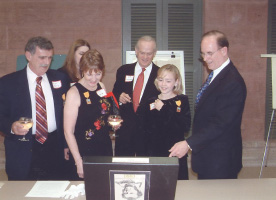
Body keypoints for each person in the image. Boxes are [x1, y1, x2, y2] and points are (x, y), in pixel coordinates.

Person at [169, 30, 247, 180]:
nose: (205, 59)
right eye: (203, 54)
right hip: (209, 155)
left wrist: (188, 144)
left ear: (224, 50)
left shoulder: (232, 82)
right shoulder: (216, 74)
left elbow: (220, 124)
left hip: (220, 159)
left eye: (210, 53)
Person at [0, 36, 69, 180]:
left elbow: (65, 116)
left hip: (53, 146)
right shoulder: (7, 83)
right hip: (23, 148)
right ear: (28, 56)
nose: (46, 63)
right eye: (42, 57)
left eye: (50, 58)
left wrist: (65, 145)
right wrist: (12, 127)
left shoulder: (60, 79)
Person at [64, 49, 116, 179]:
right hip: (83, 150)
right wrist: (78, 161)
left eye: (98, 74)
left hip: (104, 147)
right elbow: (68, 131)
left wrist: (111, 122)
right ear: (82, 71)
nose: (94, 79)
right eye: (89, 74)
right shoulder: (74, 93)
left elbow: (102, 113)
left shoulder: (101, 86)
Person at [113, 35, 160, 156]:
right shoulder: (123, 71)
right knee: (123, 170)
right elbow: (114, 93)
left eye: (149, 53)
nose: (145, 57)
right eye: (142, 53)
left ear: (154, 53)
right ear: (136, 51)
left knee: (146, 171)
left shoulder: (160, 74)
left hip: (149, 134)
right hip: (125, 132)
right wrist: (119, 96)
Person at [144, 64, 191, 180]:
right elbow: (145, 128)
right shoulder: (150, 101)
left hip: (174, 150)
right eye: (161, 80)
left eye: (168, 81)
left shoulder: (182, 100)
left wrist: (164, 109)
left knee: (177, 185)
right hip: (155, 151)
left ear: (176, 82)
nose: (163, 84)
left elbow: (184, 126)